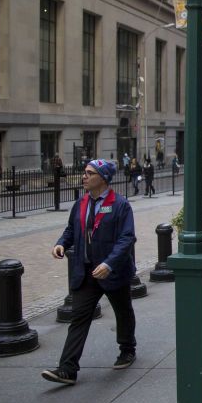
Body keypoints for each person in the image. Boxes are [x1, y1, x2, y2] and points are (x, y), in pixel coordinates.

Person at [44, 159, 137, 385]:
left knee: (123, 311)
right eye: (84, 172)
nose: (84, 177)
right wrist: (61, 244)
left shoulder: (120, 205)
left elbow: (126, 239)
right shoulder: (81, 203)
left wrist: (109, 264)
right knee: (79, 318)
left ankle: (127, 349)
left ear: (103, 178)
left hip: (112, 272)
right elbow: (71, 229)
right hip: (86, 272)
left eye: (89, 173)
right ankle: (67, 369)